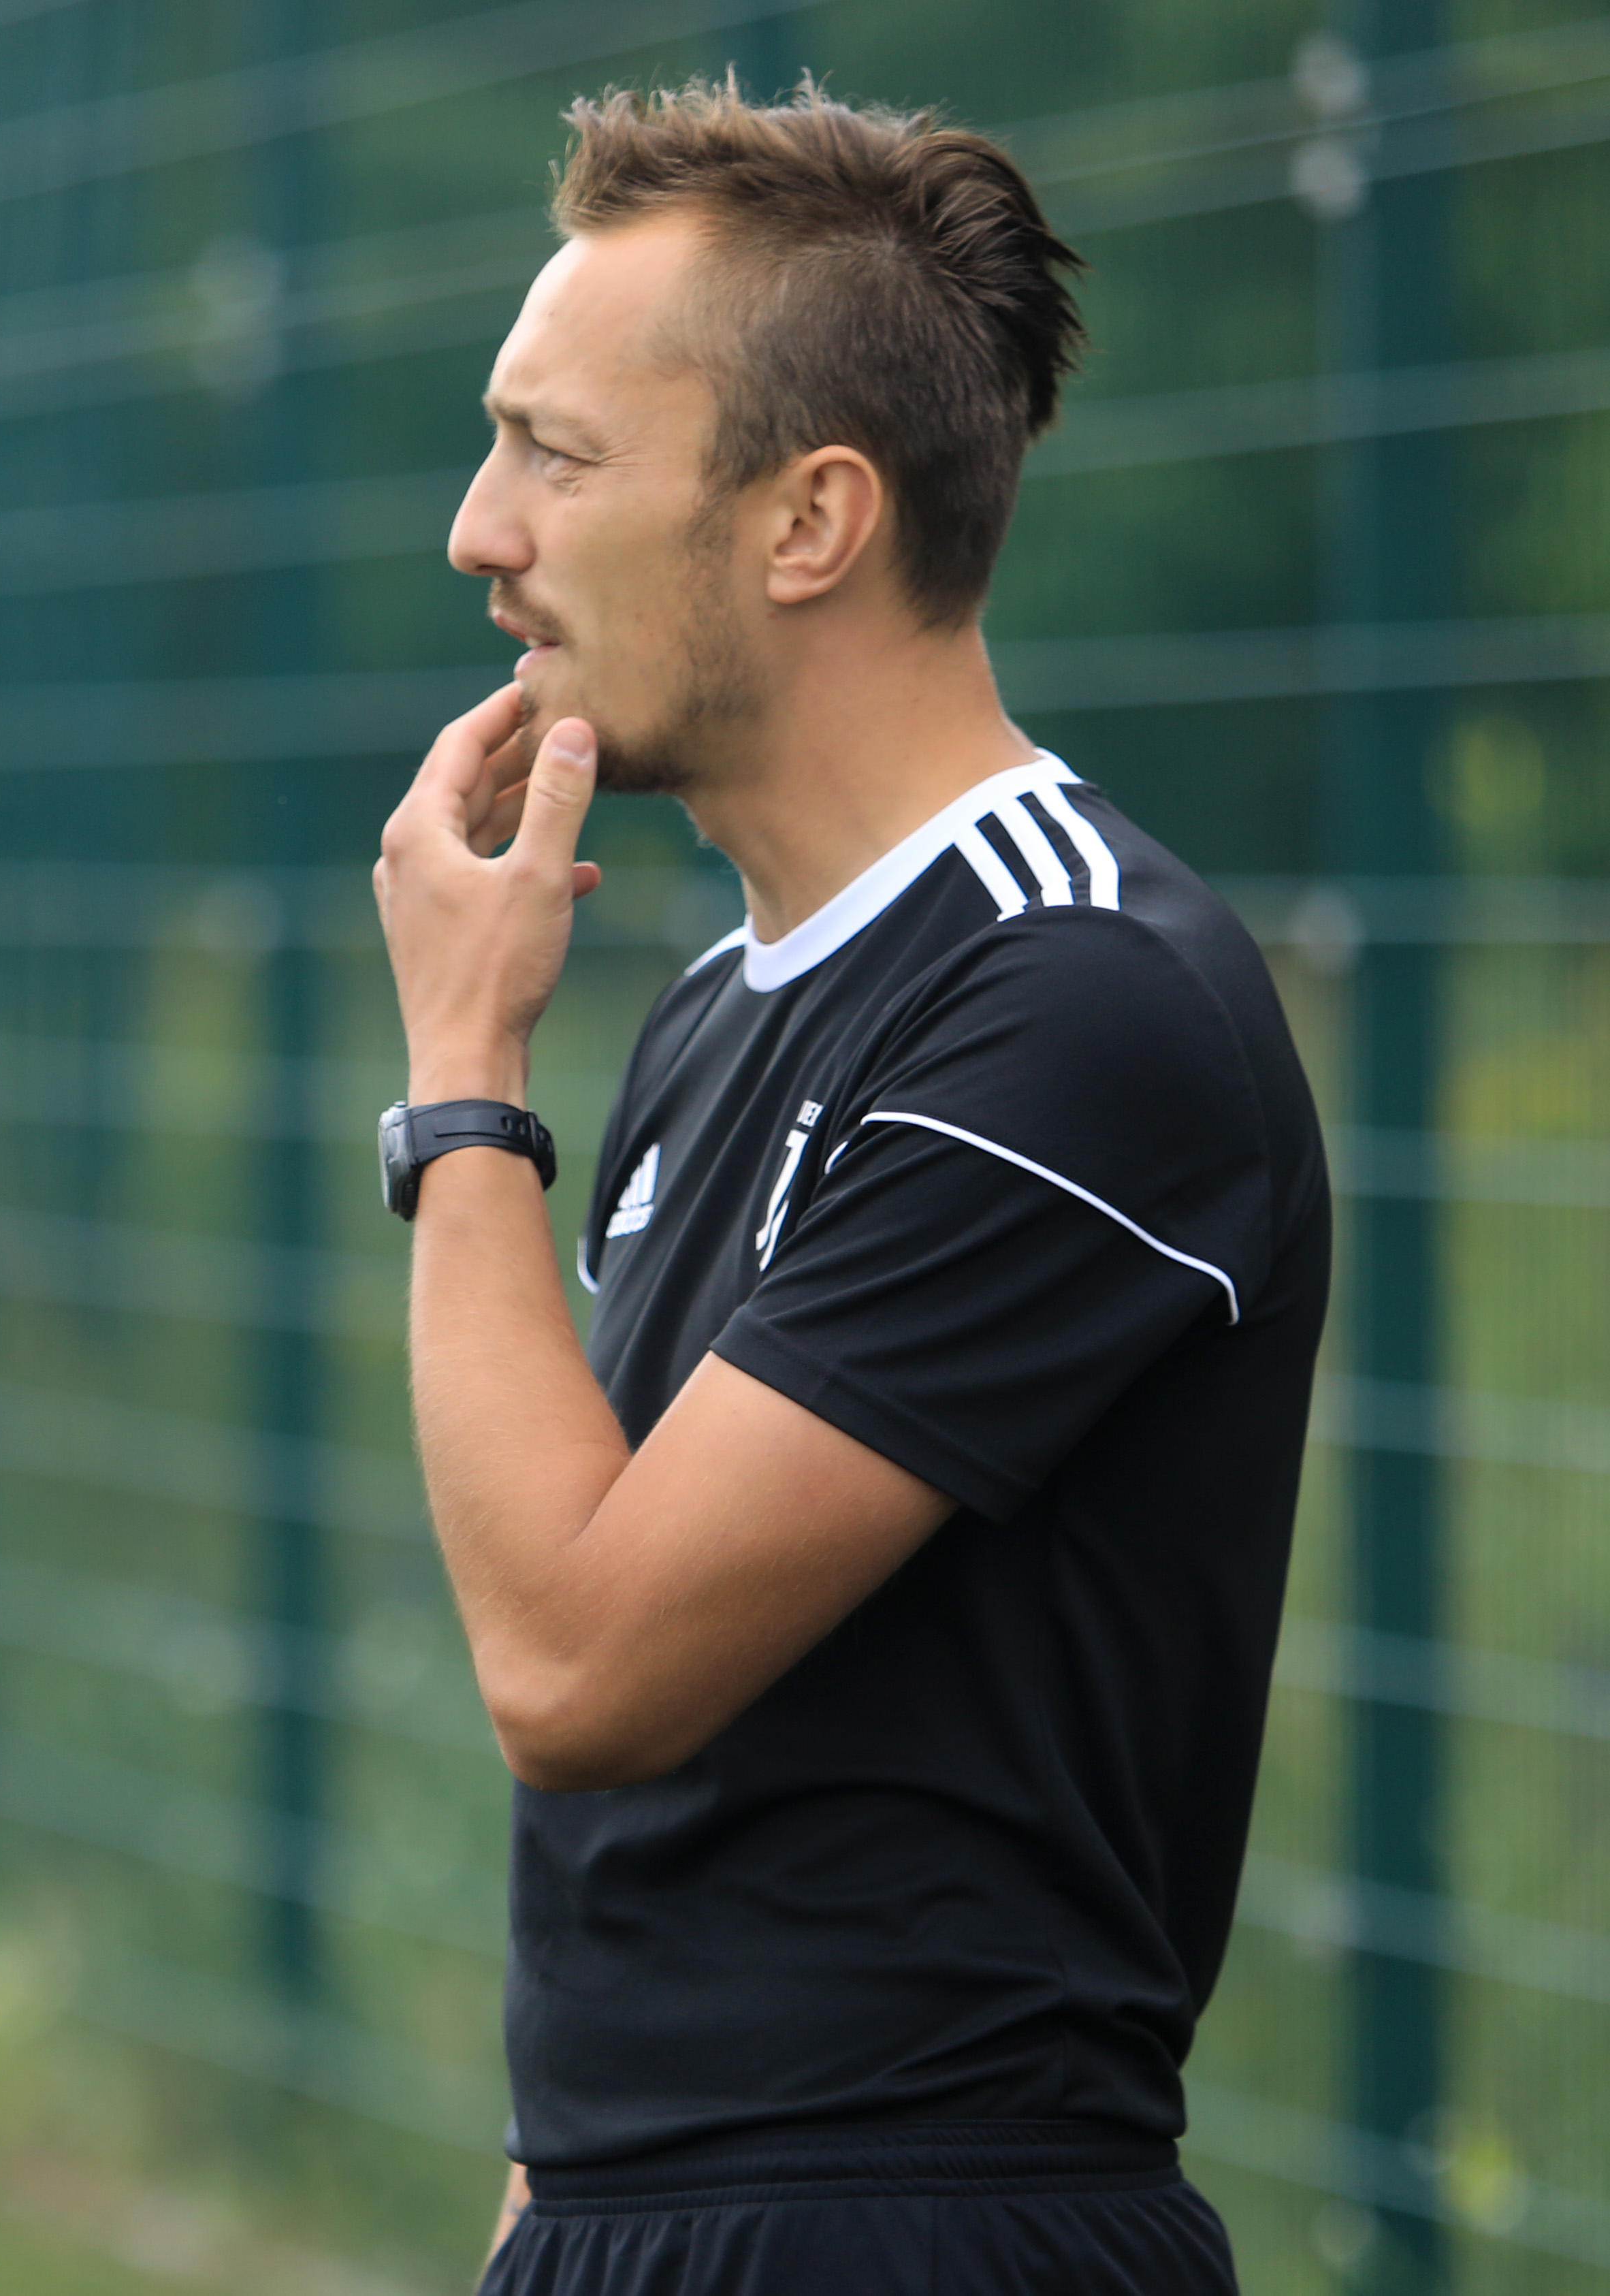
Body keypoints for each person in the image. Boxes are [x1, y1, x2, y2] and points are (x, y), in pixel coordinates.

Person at [368, 76, 1329, 2295]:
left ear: (809, 522)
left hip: (918, 2228)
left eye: (554, 455)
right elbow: (644, 1831)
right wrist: (544, 2211)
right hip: (637, 2214)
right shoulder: (716, 1008)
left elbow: (576, 1666)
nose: (479, 532)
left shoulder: (1075, 998)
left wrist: (460, 1080)